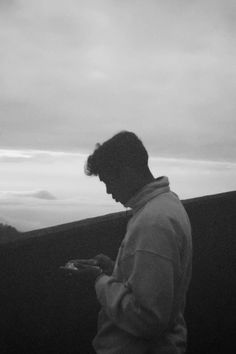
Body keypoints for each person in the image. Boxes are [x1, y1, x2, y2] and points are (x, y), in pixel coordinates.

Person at [68, 131, 192, 353]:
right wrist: (115, 269)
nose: (108, 192)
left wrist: (99, 280)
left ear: (126, 173)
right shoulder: (167, 204)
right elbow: (155, 281)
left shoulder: (153, 222)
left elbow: (148, 318)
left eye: (108, 181)